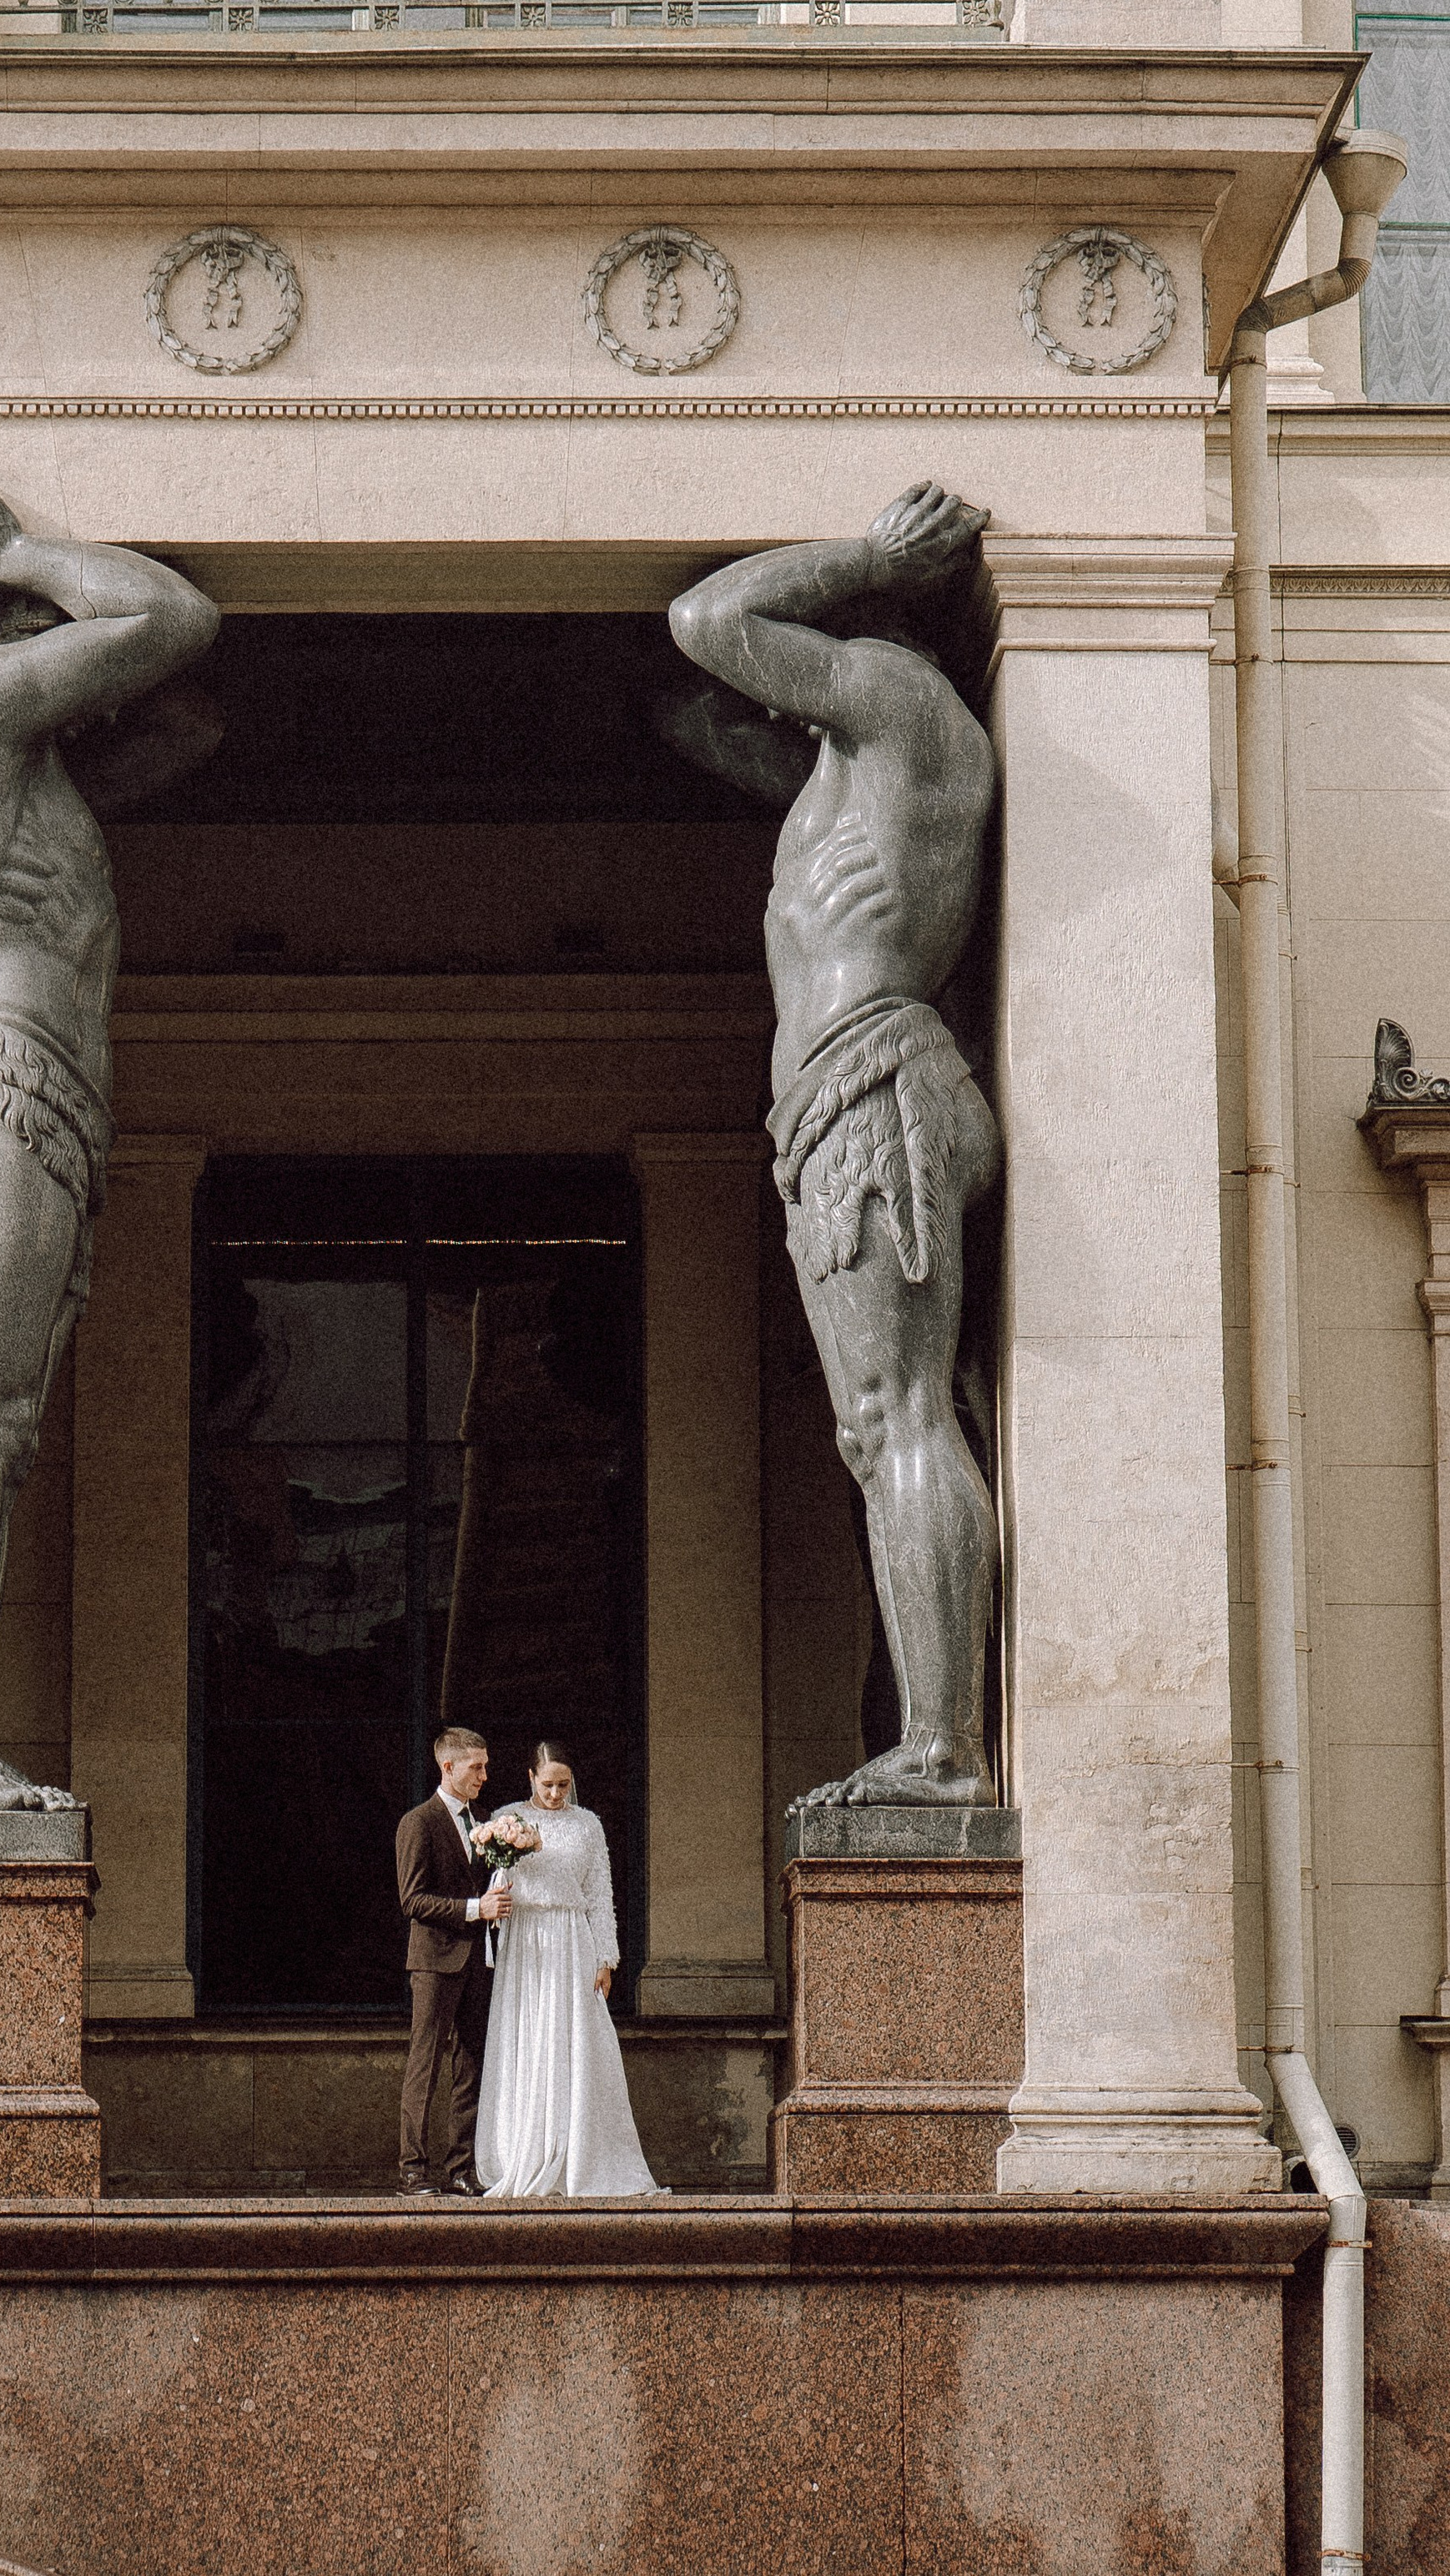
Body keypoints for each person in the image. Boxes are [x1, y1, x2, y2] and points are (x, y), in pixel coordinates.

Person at [0, 474, 219, 1809]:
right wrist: (23, 550)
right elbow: (171, 616)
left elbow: (186, 719)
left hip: (44, 1106)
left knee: (2, 1426)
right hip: (2, 1087)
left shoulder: (30, 772)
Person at [664, 481, 999, 1808]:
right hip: (840, 1101)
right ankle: (929, 1728)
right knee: (887, 1427)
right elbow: (690, 712)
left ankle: (942, 1748)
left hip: (872, 1083)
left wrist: (863, 554)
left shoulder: (904, 704)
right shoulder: (851, 767)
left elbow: (708, 621)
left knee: (895, 1417)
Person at [473, 1743, 657, 2199]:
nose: (556, 1794)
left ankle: (578, 2153)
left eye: (563, 1784)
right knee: (529, 2035)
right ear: (531, 1778)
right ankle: (524, 2150)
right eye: (548, 1784)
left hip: (572, 1938)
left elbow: (599, 1893)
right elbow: (497, 1879)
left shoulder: (587, 1824)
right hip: (525, 1941)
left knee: (575, 2039)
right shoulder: (506, 1815)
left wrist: (606, 1958)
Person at [395, 1725, 512, 2196]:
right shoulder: (418, 1822)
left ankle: (461, 2169)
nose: (485, 1775)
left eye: (485, 1766)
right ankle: (412, 2169)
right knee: (425, 2062)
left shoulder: (483, 1820)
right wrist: (474, 1909)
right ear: (448, 1767)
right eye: (476, 1767)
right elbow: (413, 1899)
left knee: (471, 2063)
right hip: (434, 1961)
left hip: (478, 1962)